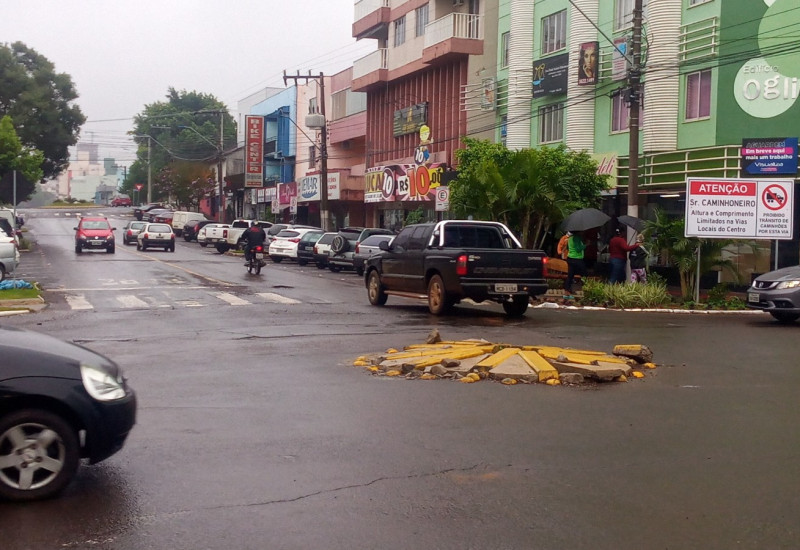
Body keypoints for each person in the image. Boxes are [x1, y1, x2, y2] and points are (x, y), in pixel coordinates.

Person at [564, 231, 586, 296]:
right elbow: (578, 249)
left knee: (570, 275)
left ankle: (567, 290)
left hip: (570, 258)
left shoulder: (570, 238)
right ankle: (584, 287)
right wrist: (585, 245)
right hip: (577, 259)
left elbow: (568, 248)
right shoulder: (577, 238)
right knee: (584, 273)